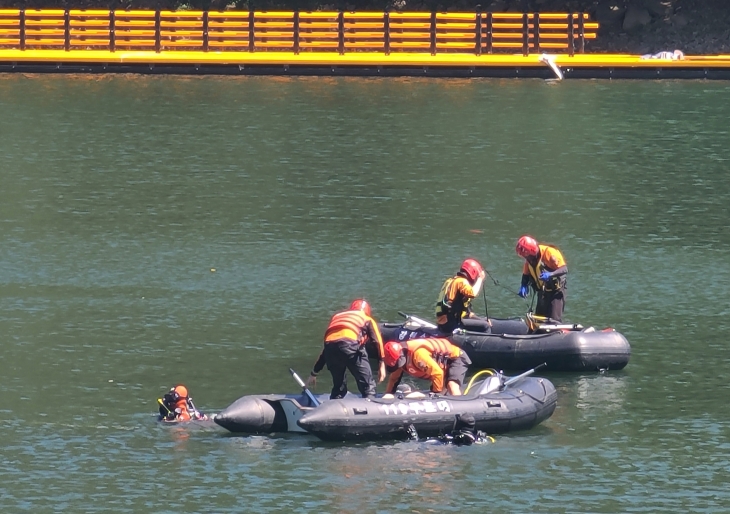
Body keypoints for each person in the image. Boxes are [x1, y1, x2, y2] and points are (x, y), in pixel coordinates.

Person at [306, 299, 386, 399]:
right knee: (368, 386)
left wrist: (314, 372)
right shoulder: (366, 318)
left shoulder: (337, 316)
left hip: (330, 349)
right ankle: (370, 403)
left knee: (339, 387)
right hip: (350, 346)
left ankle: (335, 404)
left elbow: (326, 350)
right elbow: (377, 341)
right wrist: (381, 363)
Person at [383, 338, 471, 396]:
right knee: (441, 388)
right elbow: (394, 379)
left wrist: (436, 395)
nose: (398, 366)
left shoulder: (418, 355)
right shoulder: (399, 359)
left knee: (451, 385)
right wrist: (388, 394)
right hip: (440, 368)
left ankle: (461, 409)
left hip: (455, 358)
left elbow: (438, 373)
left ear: (401, 356)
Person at [515, 235, 568, 322]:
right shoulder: (529, 261)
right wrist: (523, 286)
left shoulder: (549, 253)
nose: (526, 259)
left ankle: (557, 332)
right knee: (539, 320)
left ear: (532, 252)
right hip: (542, 292)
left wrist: (550, 274)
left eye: (527, 256)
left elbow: (564, 269)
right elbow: (526, 275)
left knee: (553, 320)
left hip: (556, 292)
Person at [435, 258, 490, 334]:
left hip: (445, 323)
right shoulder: (461, 281)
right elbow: (473, 293)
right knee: (485, 326)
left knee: (484, 322)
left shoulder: (452, 281)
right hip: (450, 324)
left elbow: (468, 314)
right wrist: (480, 278)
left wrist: (481, 320)